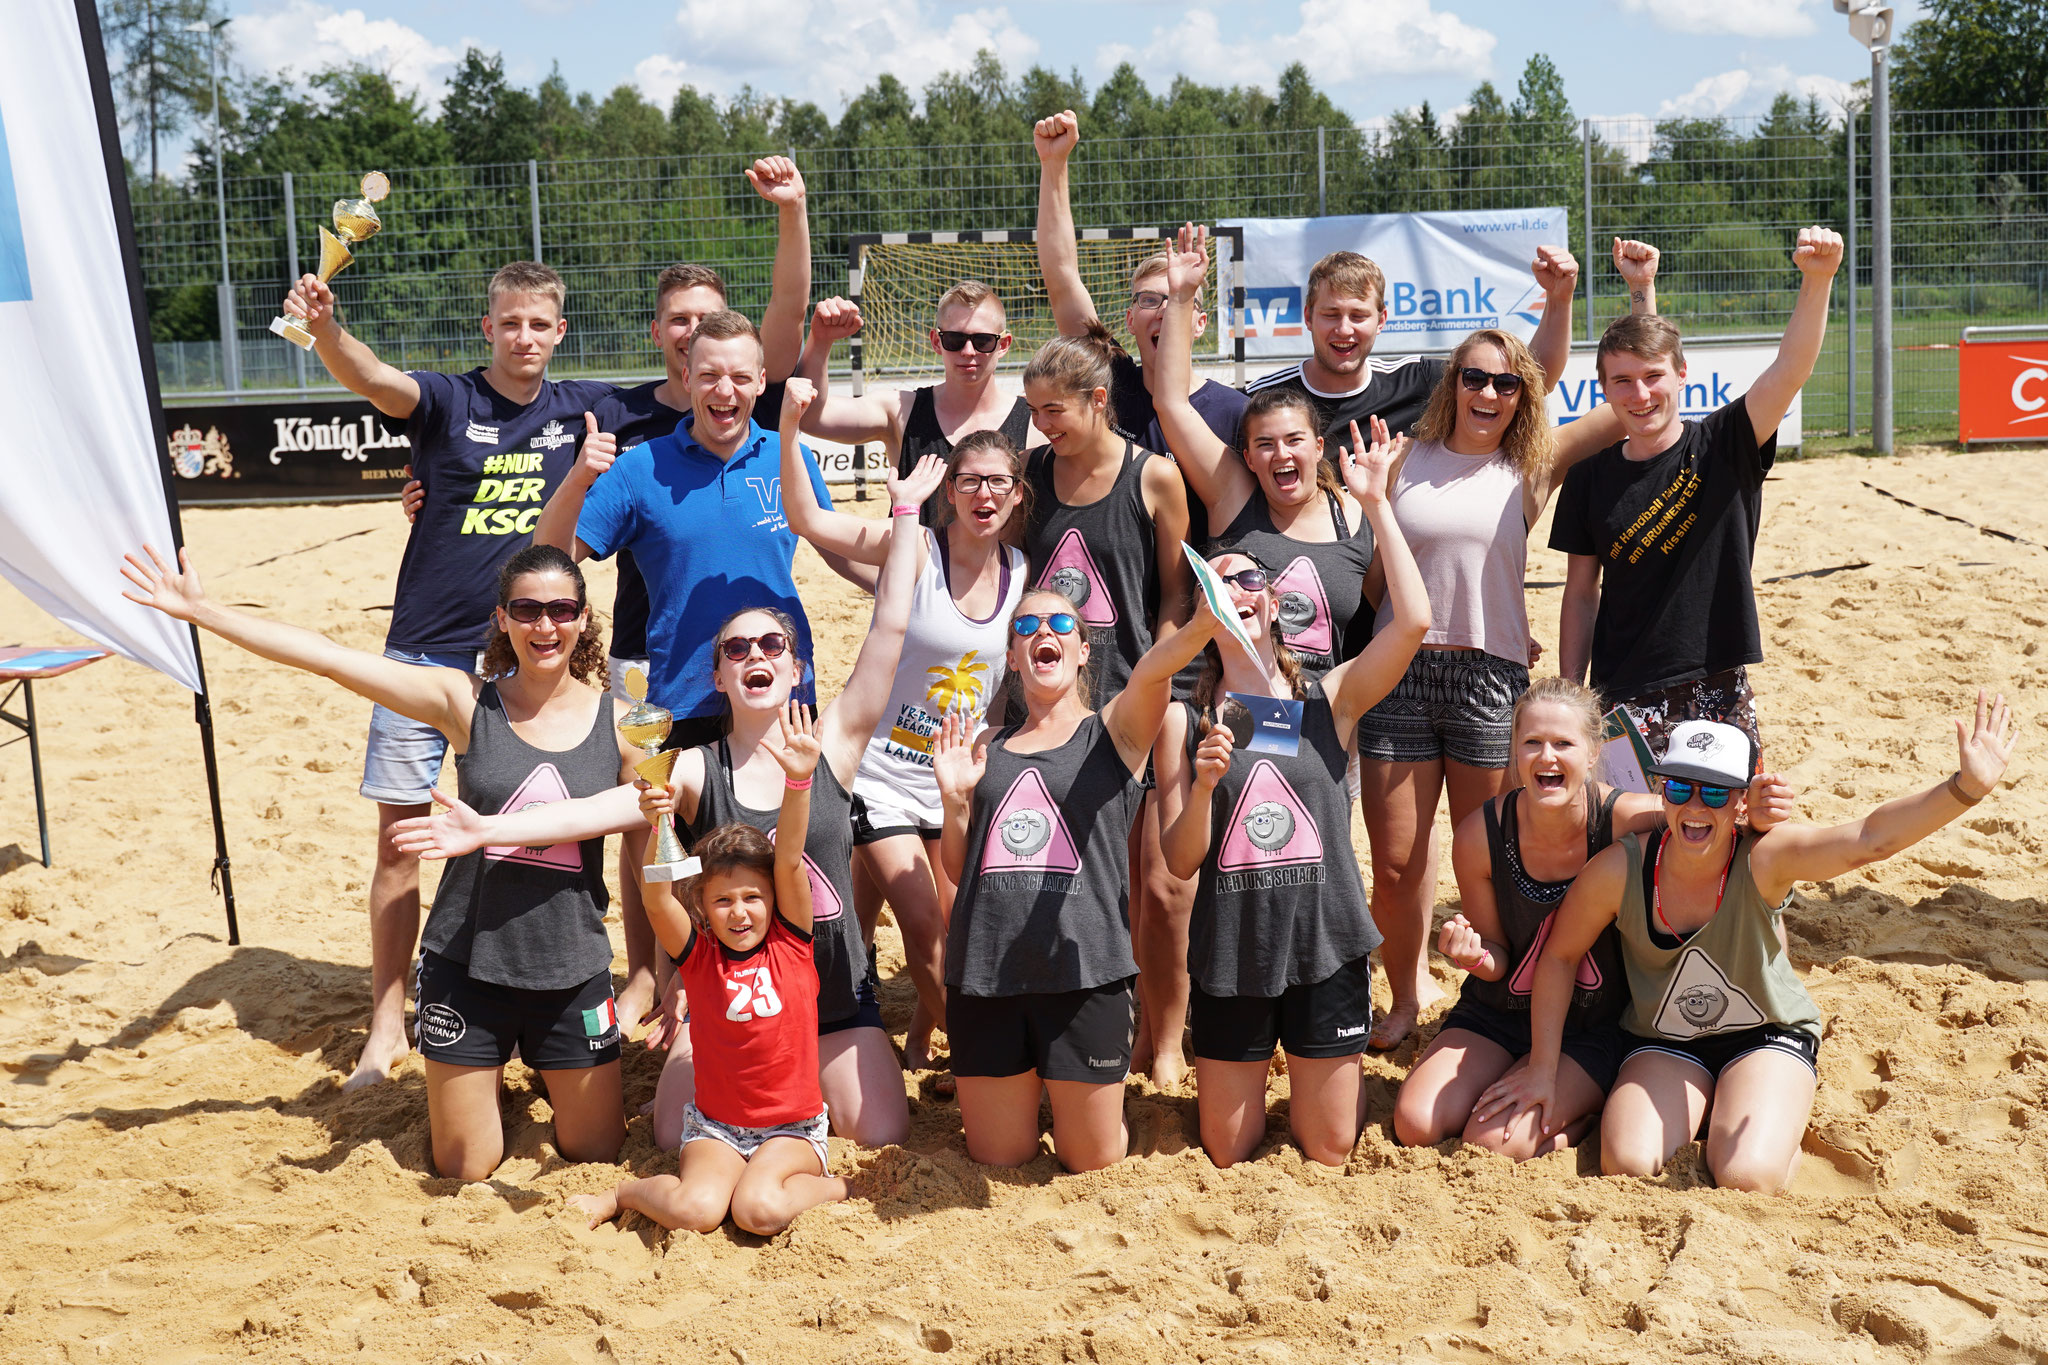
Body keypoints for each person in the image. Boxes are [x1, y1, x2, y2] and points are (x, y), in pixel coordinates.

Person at [407, 431, 937, 1151]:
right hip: (729, 1003)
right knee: (671, 1135)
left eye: (772, 646)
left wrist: (905, 515)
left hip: (829, 1000)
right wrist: (487, 829)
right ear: (716, 675)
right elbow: (602, 808)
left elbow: (893, 622)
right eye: (737, 649)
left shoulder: (834, 738)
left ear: (796, 666)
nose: (756, 655)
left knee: (879, 1131)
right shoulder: (693, 767)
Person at [121, 542, 635, 1180]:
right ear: (502, 618)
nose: (545, 625)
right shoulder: (465, 701)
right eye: (527, 609)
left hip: (569, 969)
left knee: (596, 1152)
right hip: (466, 963)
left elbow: (656, 818)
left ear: (585, 618)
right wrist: (203, 612)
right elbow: (333, 660)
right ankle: (481, 1074)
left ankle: (520, 1070)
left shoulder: (625, 726)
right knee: (467, 1165)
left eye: (561, 609)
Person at [276, 259, 614, 1090]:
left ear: (559, 332)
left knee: (541, 834)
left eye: (539, 324)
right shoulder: (451, 401)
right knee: (400, 846)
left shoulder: (584, 409)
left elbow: (694, 388)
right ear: (488, 328)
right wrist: (325, 329)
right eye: (510, 323)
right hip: (427, 652)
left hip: (528, 658)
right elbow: (379, 381)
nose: (524, 336)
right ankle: (386, 1024)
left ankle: (552, 992)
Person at [1478, 692, 2018, 1194]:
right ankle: (1712, 1107)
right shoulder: (1622, 867)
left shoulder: (1764, 857)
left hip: (1764, 1035)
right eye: (1680, 786)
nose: (1695, 806)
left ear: (1741, 801)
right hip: (1668, 1043)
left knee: (1744, 1175)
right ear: (1661, 791)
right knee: (1627, 1163)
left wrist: (1963, 790)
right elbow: (1560, 956)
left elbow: (1867, 841)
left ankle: (1759, 1116)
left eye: (1715, 791)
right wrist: (1542, 1069)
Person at [1156, 422, 1431, 1169]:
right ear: (1204, 613)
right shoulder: (1186, 718)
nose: (1236, 589)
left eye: (1250, 579)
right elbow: (1179, 864)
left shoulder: (1327, 697)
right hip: (1232, 945)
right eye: (1220, 580)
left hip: (1324, 939)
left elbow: (1413, 622)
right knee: (1225, 1147)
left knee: (1331, 1146)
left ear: (1274, 604)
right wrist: (1207, 784)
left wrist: (1377, 505)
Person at [1391, 677, 1793, 1159]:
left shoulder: (1627, 818)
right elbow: (1499, 963)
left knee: (1494, 1142)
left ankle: (1582, 1117)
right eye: (1532, 743)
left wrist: (1763, 820)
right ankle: (1548, 1087)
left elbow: (1710, 819)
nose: (1547, 757)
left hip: (1594, 1023)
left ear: (1592, 750)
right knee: (1415, 1122)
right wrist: (1473, 957)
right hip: (1500, 1013)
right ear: (1513, 750)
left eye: (1563, 743)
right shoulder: (1482, 833)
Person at [777, 374, 1031, 1070]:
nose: (985, 494)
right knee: (926, 928)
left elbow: (1007, 689)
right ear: (949, 492)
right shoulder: (914, 549)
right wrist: (792, 429)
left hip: (953, 777)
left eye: (999, 482)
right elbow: (810, 522)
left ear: (1017, 493)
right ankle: (992, 1065)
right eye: (970, 481)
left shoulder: (1021, 570)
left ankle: (915, 1037)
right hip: (882, 776)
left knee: (957, 923)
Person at [932, 586, 1222, 1171]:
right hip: (987, 975)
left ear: (1084, 650)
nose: (1046, 630)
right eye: (1027, 625)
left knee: (1089, 1159)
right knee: (999, 1156)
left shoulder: (1113, 734)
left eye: (1063, 621)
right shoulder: (984, 748)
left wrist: (1199, 628)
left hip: (1085, 974)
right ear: (1012, 656)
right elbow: (963, 871)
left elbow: (1152, 672)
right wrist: (955, 803)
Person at [1549, 227, 1846, 755]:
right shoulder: (1589, 476)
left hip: (1715, 684)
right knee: (1630, 834)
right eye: (1621, 381)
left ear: (1682, 375)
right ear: (1602, 388)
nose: (1639, 394)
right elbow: (1579, 591)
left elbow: (1790, 368)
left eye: (1653, 376)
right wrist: (1573, 692)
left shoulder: (1725, 444)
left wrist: (1818, 280)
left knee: (1718, 829)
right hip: (1620, 692)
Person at [568, 703, 850, 1237]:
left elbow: (787, 857)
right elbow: (656, 900)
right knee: (697, 1212)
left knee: (758, 1210)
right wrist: (660, 821)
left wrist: (798, 782)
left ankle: (835, 1186)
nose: (739, 912)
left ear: (773, 901)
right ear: (703, 909)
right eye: (722, 901)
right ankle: (622, 1193)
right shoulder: (701, 957)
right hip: (717, 1127)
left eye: (751, 897)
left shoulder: (791, 943)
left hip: (790, 1129)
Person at [1020, 326, 1196, 1083]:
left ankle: (1166, 1039)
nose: (1042, 425)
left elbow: (1174, 593)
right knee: (1087, 888)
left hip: (1139, 702)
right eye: (1032, 410)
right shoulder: (1030, 477)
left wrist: (1154, 685)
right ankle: (1101, 1030)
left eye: (1054, 408)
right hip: (1060, 714)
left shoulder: (1153, 477)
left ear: (1099, 401)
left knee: (1159, 890)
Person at [534, 309, 834, 750]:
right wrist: (579, 478)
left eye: (740, 377)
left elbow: (846, 555)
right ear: (687, 377)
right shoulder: (640, 467)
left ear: (761, 381)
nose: (725, 391)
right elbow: (549, 558)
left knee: (786, 820)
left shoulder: (790, 456)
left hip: (782, 693)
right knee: (691, 821)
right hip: (685, 701)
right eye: (709, 375)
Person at [1154, 225, 1376, 680]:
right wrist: (1180, 298)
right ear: (1247, 457)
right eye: (1264, 445)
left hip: (1319, 724)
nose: (1281, 454)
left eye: (1294, 441)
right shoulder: (1234, 495)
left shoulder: (1354, 512)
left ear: (1318, 448)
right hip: (1227, 712)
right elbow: (1171, 401)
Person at [1032, 110, 1248, 466]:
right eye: (1150, 300)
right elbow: (1061, 276)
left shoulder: (1235, 412)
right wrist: (1054, 163)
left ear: (1201, 323)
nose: (1165, 309)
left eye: (1179, 300)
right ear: (1130, 320)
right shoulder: (1110, 385)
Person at [1241, 243, 1580, 457]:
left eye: (1359, 315)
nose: (1344, 329)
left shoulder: (1419, 382)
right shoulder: (1262, 399)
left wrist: (1560, 299)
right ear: (1308, 317)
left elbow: (1534, 381)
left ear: (1381, 319)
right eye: (1331, 314)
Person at [793, 285, 1034, 526]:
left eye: (983, 340)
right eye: (954, 339)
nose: (968, 351)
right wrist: (820, 340)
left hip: (1004, 563)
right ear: (936, 342)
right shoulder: (901, 410)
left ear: (1003, 345)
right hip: (917, 563)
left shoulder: (1034, 420)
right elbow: (812, 416)